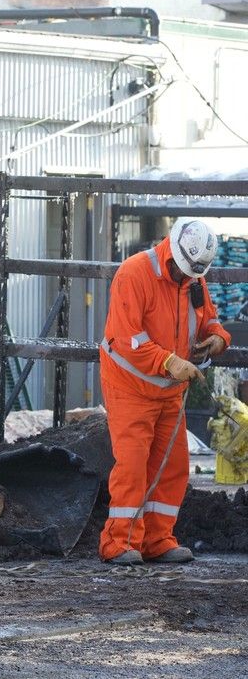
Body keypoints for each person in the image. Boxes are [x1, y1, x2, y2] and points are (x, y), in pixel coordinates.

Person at [99, 218, 231, 565]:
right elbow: (127, 339)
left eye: (192, 275)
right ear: (171, 249)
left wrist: (217, 339)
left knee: (172, 468)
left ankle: (157, 540)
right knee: (132, 466)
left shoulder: (193, 280)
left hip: (169, 392)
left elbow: (209, 320)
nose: (185, 279)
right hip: (130, 388)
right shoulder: (134, 274)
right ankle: (117, 543)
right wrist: (170, 362)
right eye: (184, 273)